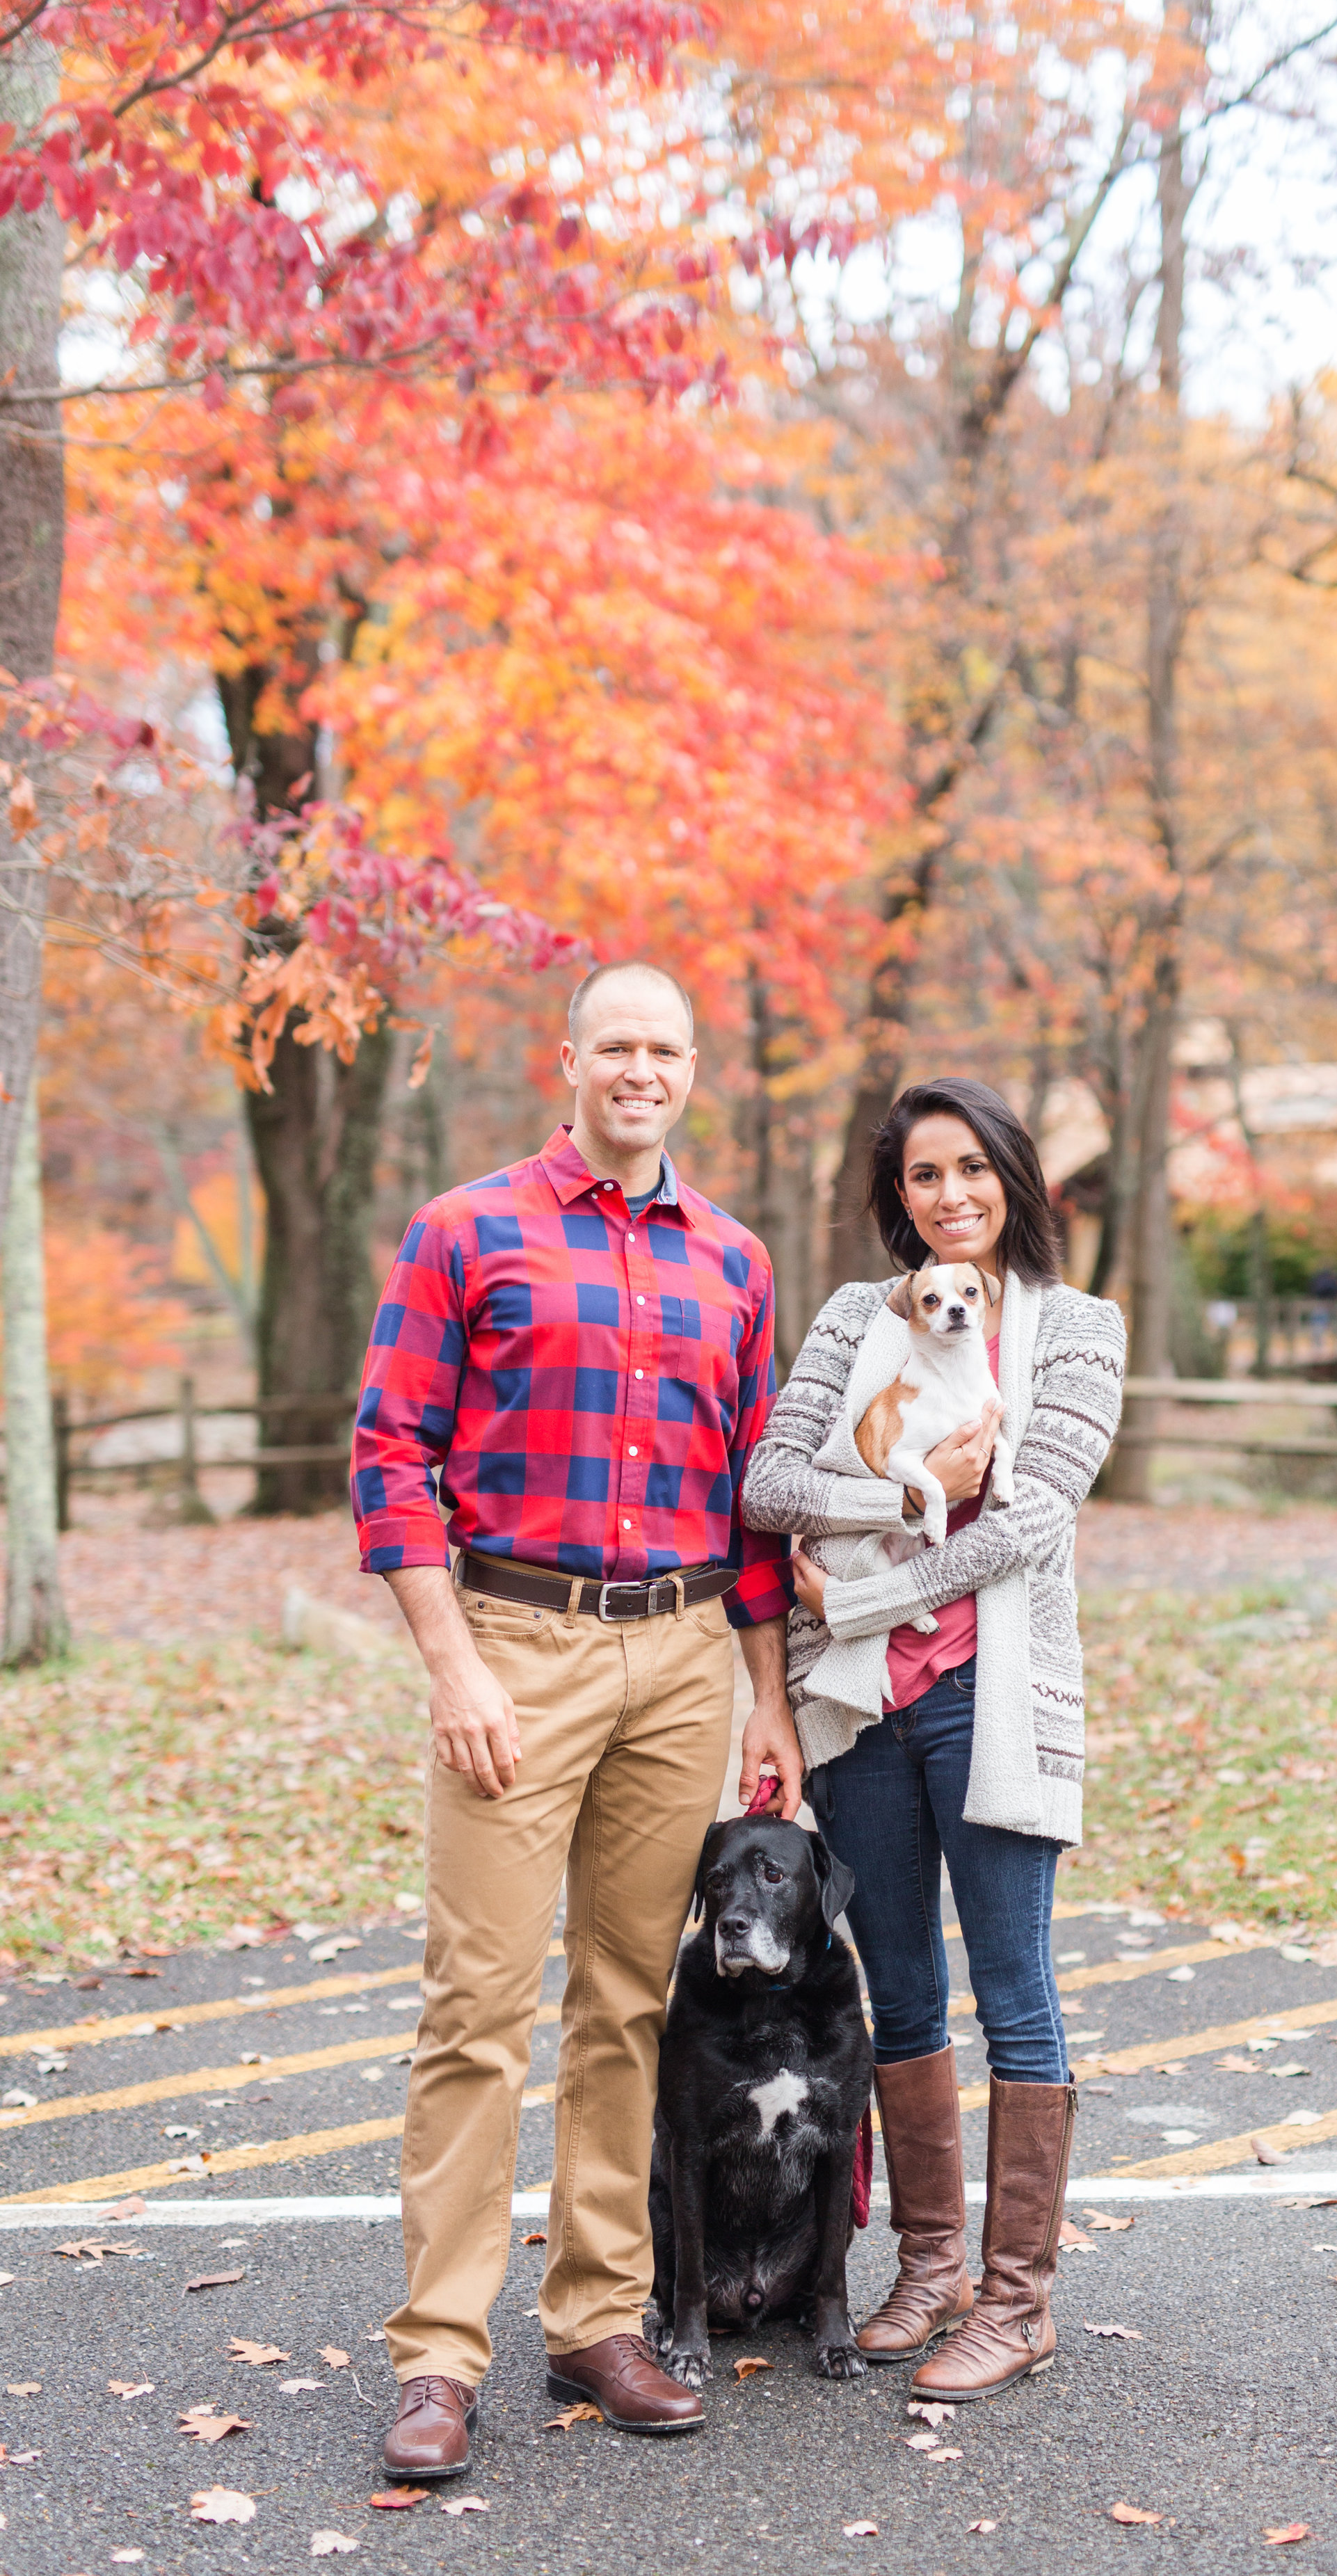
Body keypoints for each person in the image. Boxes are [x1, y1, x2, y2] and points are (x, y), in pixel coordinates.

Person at [351, 961, 801, 2479]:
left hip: (680, 1655)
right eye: (616, 1043)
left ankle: (600, 2313)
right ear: (569, 1058)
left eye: (665, 1048)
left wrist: (762, 1699)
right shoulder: (466, 1229)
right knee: (476, 2006)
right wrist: (451, 1664)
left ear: (691, 1070)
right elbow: (390, 1456)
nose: (640, 1068)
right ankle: (436, 2356)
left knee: (629, 2002)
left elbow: (753, 1505)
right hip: (515, 1640)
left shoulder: (733, 1261)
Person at [742, 1079, 1125, 2400]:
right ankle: (927, 2270)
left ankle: (1017, 2301)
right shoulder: (859, 1317)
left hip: (990, 1700)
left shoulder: (1077, 1331)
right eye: (922, 1176)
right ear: (895, 1197)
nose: (950, 1195)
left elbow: (1029, 1522)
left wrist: (851, 1587)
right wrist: (914, 1488)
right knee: (898, 1990)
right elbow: (770, 1483)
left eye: (972, 1168)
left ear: (1014, 1177)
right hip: (860, 1706)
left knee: (1013, 1987)